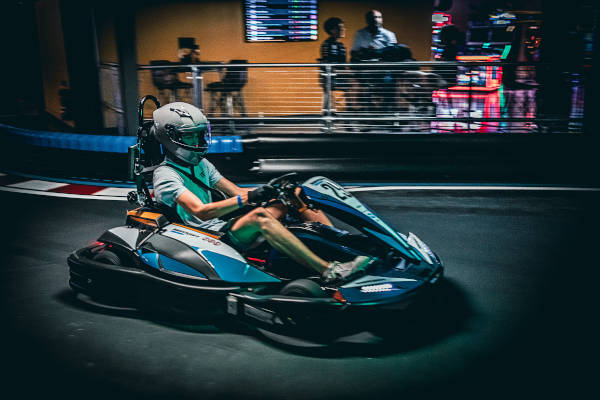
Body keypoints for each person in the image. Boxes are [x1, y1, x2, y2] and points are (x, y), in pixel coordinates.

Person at [151, 102, 373, 283]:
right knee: (260, 217)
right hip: (202, 235)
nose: (198, 141)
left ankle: (345, 248)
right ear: (172, 138)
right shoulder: (166, 175)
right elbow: (201, 211)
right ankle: (329, 270)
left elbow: (236, 191)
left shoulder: (201, 164)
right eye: (190, 136)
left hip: (220, 226)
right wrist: (250, 197)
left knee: (293, 197)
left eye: (200, 134)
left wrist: (271, 191)